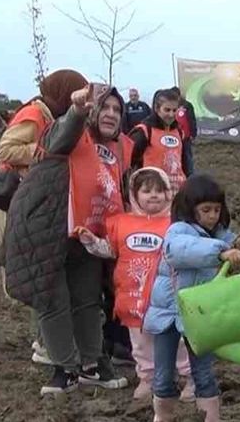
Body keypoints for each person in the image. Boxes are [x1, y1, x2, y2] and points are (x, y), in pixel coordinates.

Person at [4, 83, 129, 395]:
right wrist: (76, 111)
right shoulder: (71, 135)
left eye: (117, 109)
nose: (111, 114)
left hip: (87, 235)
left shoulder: (118, 149)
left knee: (87, 299)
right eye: (105, 107)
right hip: (47, 227)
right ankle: (64, 368)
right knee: (53, 298)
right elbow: (60, 135)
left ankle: (90, 364)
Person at [0, 69, 89, 366]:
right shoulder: (35, 113)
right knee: (37, 272)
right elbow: (6, 148)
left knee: (43, 272)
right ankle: (45, 343)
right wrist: (43, 151)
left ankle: (47, 339)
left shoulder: (49, 112)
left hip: (37, 199)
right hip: (21, 198)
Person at [143, 174, 240, 422]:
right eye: (205, 210)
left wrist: (231, 251)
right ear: (191, 210)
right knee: (164, 375)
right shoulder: (179, 231)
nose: (212, 216)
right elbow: (181, 251)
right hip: (168, 313)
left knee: (204, 373)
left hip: (198, 317)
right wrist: (220, 251)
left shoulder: (221, 237)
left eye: (216, 210)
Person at [78, 167, 193, 401]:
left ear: (169, 194)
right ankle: (148, 378)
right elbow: (110, 250)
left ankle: (189, 378)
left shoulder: (177, 224)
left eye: (160, 191)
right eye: (146, 190)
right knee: (140, 343)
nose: (153, 195)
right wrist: (91, 242)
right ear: (134, 194)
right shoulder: (121, 223)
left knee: (179, 339)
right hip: (133, 297)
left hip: (168, 298)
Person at [129, 88, 189, 190]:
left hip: (177, 193)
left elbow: (185, 164)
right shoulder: (144, 131)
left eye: (174, 110)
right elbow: (129, 162)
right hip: (154, 193)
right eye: (167, 110)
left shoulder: (178, 131)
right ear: (157, 109)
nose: (171, 115)